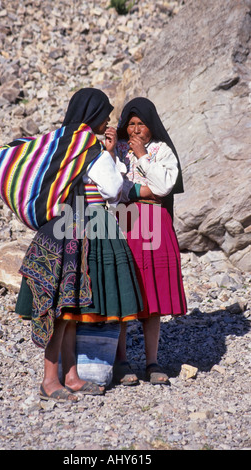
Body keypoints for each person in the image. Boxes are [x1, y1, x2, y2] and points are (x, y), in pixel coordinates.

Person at [13, 88, 143, 401]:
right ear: (93, 115)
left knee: (67, 310)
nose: (109, 122)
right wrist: (109, 156)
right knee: (60, 311)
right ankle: (49, 381)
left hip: (55, 229)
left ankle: (70, 375)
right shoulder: (87, 147)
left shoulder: (61, 141)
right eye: (105, 116)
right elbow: (112, 189)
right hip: (75, 234)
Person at [113, 97, 187, 386]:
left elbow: (165, 187)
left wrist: (143, 156)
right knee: (123, 292)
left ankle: (152, 361)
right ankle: (121, 360)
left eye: (140, 124)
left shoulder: (162, 151)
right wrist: (143, 191)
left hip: (156, 226)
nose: (134, 130)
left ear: (151, 126)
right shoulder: (116, 151)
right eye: (130, 124)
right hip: (124, 223)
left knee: (152, 295)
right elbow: (115, 187)